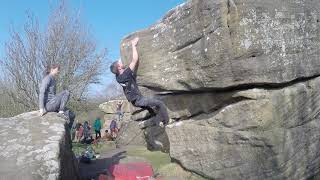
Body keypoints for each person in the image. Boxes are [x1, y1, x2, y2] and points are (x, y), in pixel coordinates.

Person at [110, 37, 169, 128]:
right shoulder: (125, 75)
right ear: (119, 67)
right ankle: (166, 122)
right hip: (139, 100)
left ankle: (156, 119)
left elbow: (117, 66)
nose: (121, 61)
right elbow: (134, 60)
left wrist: (125, 47)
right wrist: (133, 45)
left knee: (151, 109)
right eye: (119, 62)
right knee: (160, 103)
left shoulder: (118, 77)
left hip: (135, 101)